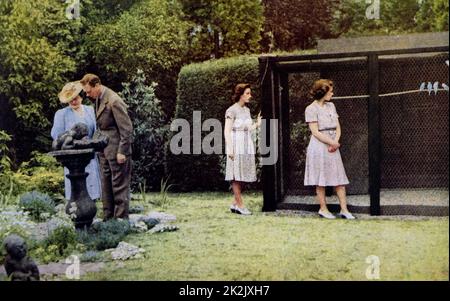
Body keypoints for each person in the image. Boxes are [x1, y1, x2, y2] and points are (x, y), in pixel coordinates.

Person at [80, 74, 133, 220]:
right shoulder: (98, 99)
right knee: (106, 185)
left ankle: (121, 220)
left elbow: (127, 129)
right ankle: (108, 218)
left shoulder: (114, 101)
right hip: (104, 150)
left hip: (117, 151)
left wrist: (122, 151)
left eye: (88, 90)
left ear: (97, 85)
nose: (87, 94)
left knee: (119, 185)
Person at [304, 79, 356, 219]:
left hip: (333, 145)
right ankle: (323, 209)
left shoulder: (331, 106)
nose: (332, 94)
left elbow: (338, 126)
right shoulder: (311, 109)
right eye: (330, 91)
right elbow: (315, 132)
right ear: (322, 92)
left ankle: (344, 210)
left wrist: (336, 141)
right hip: (319, 146)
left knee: (339, 178)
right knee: (321, 179)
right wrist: (331, 142)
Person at [51, 81, 101, 201]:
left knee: (92, 185)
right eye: (70, 99)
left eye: (76, 98)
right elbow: (56, 135)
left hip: (89, 153)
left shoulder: (90, 110)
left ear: (81, 96)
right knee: (76, 188)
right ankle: (76, 210)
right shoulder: (61, 114)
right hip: (73, 155)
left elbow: (96, 130)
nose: (73, 101)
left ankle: (91, 210)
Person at [224, 83, 261, 215]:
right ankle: (240, 205)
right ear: (240, 94)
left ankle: (235, 203)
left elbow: (247, 128)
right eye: (247, 93)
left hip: (247, 144)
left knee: (244, 175)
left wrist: (257, 124)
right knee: (236, 175)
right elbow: (227, 131)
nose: (250, 96)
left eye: (250, 93)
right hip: (236, 143)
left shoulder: (247, 110)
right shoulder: (231, 110)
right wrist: (230, 149)